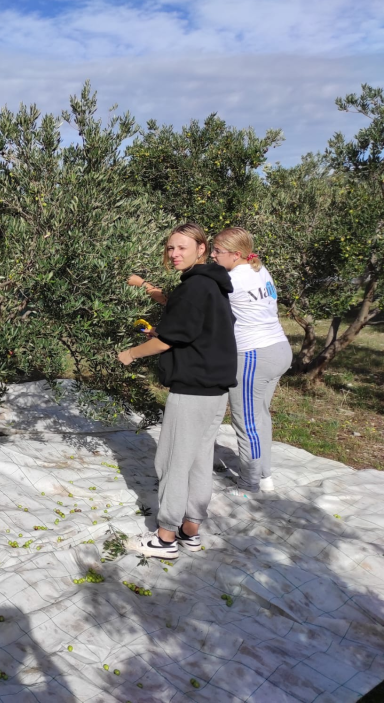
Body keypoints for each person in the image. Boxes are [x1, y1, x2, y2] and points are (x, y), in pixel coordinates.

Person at [118, 223, 237, 559]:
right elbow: (193, 330)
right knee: (199, 460)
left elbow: (169, 340)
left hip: (193, 389)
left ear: (202, 248)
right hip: (215, 389)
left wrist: (130, 354)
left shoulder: (195, 287)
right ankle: (191, 530)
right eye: (170, 248)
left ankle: (165, 537)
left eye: (182, 247)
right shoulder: (213, 285)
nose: (174, 254)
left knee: (172, 460)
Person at [211, 227, 292, 496]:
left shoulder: (233, 280)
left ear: (236, 254)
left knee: (246, 423)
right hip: (279, 348)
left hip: (254, 356)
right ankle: (264, 477)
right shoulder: (258, 268)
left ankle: (248, 486)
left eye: (217, 251)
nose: (212, 255)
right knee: (260, 417)